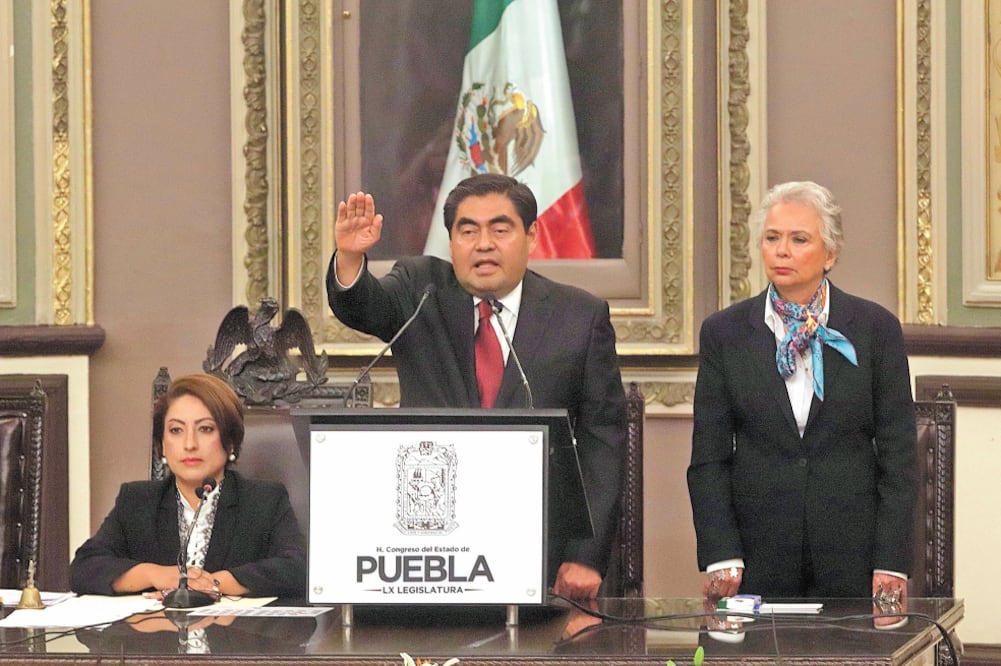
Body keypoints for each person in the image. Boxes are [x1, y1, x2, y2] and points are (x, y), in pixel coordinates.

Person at [326, 173, 627, 599]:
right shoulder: (420, 289)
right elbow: (365, 306)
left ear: (532, 236)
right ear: (451, 242)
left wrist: (585, 554)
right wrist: (351, 260)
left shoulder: (580, 316)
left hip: (540, 552)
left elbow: (602, 441)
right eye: (468, 231)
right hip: (427, 549)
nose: (483, 244)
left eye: (500, 229)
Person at [687, 181, 917, 601]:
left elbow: (899, 458)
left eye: (799, 239)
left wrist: (891, 560)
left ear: (830, 254)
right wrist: (720, 552)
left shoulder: (875, 330)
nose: (782, 250)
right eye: (772, 238)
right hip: (756, 556)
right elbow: (709, 459)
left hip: (854, 555)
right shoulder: (725, 333)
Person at [70, 373, 307, 598]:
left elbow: (297, 568)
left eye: (205, 429)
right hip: (156, 635)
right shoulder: (137, 500)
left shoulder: (263, 500)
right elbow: (84, 568)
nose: (189, 444)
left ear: (231, 442)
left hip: (236, 636)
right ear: (162, 445)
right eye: (176, 430)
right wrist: (154, 574)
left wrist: (215, 583)